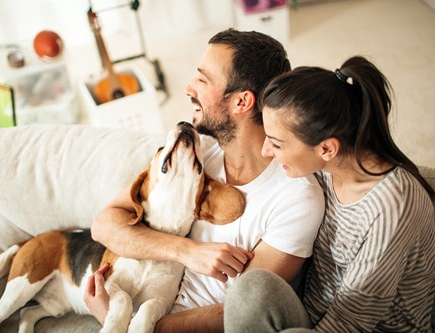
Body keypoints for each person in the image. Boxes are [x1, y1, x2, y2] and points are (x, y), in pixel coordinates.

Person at [84, 29, 325, 331]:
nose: (188, 87)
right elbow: (104, 224)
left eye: (202, 79)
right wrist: (187, 251)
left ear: (241, 102)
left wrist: (128, 324)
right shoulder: (198, 151)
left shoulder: (297, 198)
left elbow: (241, 310)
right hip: (142, 301)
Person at [224, 56, 435, 332]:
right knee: (250, 289)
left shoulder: (392, 207)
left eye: (276, 144)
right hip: (313, 306)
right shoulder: (325, 167)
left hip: (361, 326)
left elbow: (352, 322)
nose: (266, 151)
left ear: (326, 149)